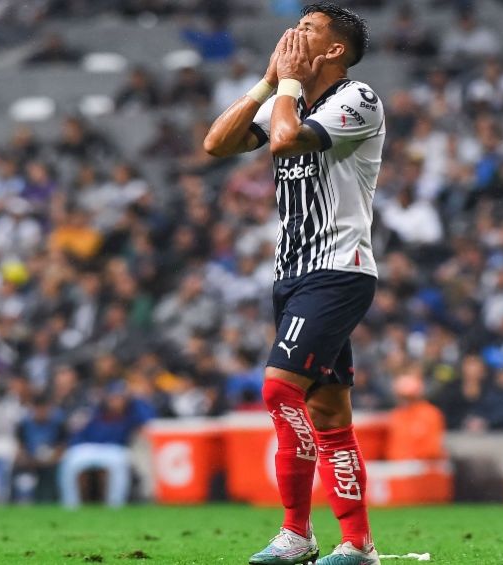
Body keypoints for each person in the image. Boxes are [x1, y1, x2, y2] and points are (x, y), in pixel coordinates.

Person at [203, 4, 385, 563]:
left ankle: (296, 534)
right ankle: (358, 545)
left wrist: (283, 83)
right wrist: (265, 83)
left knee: (280, 391)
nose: (292, 36)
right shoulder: (292, 99)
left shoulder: (358, 99)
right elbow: (217, 144)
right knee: (330, 414)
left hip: (337, 269)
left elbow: (285, 141)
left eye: (307, 29)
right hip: (293, 274)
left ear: (334, 50)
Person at [57, 381, 153, 508]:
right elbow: (80, 432)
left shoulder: (132, 412)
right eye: (113, 397)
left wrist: (135, 400)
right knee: (70, 459)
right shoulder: (95, 410)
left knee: (117, 463)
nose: (116, 401)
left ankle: (114, 504)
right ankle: (71, 505)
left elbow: (148, 419)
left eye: (119, 398)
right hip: (90, 447)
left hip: (116, 448)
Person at [13, 395, 67, 503]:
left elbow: (61, 448)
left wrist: (49, 460)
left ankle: (51, 500)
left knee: (53, 473)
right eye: (38, 408)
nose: (41, 412)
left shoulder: (58, 423)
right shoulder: (24, 424)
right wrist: (28, 459)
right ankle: (17, 500)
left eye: (44, 408)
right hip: (31, 461)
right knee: (18, 471)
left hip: (51, 462)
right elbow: (20, 448)